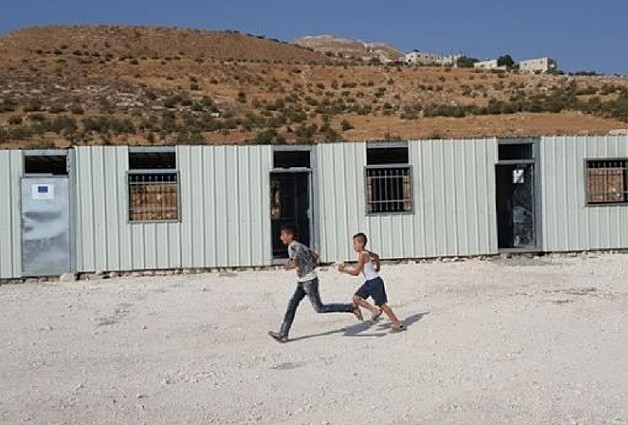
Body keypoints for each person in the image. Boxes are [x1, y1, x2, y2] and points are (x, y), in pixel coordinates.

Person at [268, 225, 363, 343]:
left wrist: (286, 267)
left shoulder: (292, 247)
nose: (281, 238)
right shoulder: (300, 245)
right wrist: (311, 266)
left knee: (319, 308)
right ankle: (283, 334)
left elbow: (295, 263)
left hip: (308, 281)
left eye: (283, 235)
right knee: (292, 305)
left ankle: (351, 307)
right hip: (304, 280)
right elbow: (316, 256)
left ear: (290, 235)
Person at [338, 232, 405, 333]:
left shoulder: (362, 255)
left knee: (382, 305)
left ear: (361, 243)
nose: (354, 246)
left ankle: (398, 324)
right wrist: (377, 267)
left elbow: (356, 272)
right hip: (370, 282)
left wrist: (343, 270)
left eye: (355, 243)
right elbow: (377, 256)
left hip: (375, 283)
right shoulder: (366, 252)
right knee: (356, 298)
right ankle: (375, 310)